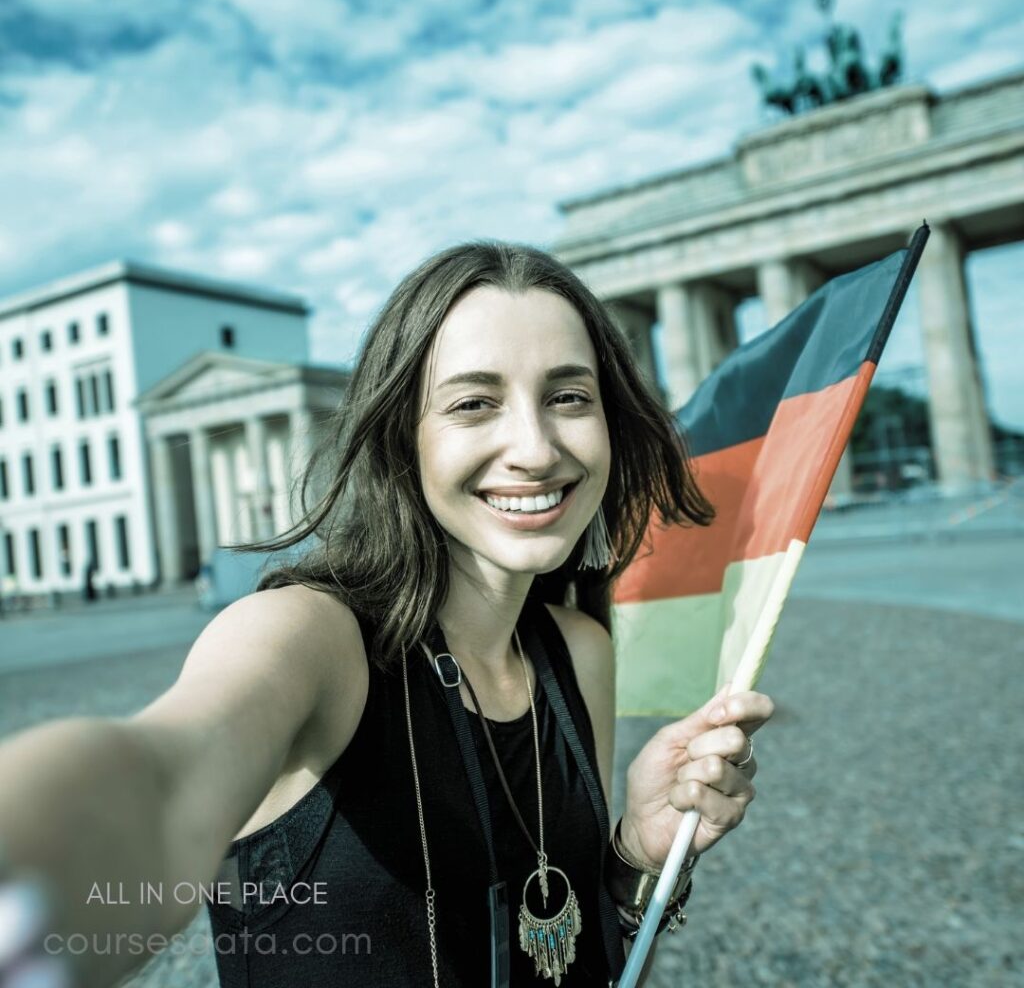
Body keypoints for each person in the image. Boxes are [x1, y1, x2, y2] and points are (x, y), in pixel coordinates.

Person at [0, 242, 773, 988]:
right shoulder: (306, 636)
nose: (535, 448)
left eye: (569, 397)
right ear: (403, 435)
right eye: (475, 404)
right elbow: (161, 784)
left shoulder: (578, 649)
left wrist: (637, 857)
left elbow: (577, 958)